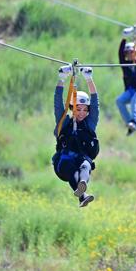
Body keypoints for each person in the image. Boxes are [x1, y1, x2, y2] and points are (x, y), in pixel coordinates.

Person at [52, 65, 99, 208]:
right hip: (63, 163)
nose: (82, 113)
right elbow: (58, 103)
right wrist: (62, 79)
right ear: (72, 108)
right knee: (70, 167)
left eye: (85, 110)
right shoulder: (64, 122)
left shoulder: (89, 124)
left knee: (86, 165)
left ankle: (82, 190)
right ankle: (81, 192)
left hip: (81, 159)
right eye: (78, 109)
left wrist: (89, 79)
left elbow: (95, 103)